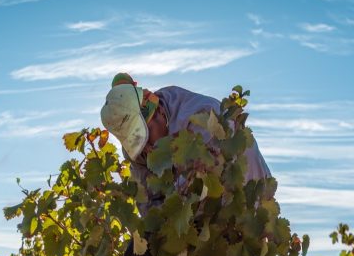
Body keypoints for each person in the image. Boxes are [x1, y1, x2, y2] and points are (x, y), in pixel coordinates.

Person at [100, 73, 272, 215]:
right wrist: (147, 231)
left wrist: (165, 218)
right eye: (136, 140)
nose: (147, 148)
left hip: (250, 198)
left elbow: (194, 187)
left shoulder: (202, 116)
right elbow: (147, 198)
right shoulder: (138, 152)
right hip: (203, 220)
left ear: (157, 109)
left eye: (145, 135)